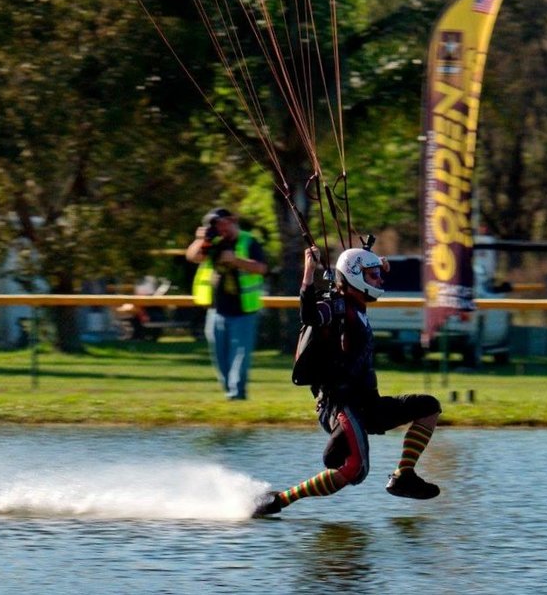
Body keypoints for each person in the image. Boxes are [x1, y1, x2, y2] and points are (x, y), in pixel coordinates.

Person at [253, 245, 442, 516]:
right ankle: (279, 500)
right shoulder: (335, 305)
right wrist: (309, 271)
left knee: (428, 407)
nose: (380, 280)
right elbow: (309, 316)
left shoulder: (356, 305)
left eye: (378, 274)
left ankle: (404, 475)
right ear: (355, 277)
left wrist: (375, 262)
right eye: (373, 275)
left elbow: (362, 272)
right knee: (353, 470)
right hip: (339, 405)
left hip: (366, 404)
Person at [186, 207, 268, 400]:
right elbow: (193, 256)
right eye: (214, 224)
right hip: (216, 310)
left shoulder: (249, 240)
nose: (218, 227)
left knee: (240, 356)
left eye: (221, 222)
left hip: (243, 310)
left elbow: (262, 268)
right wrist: (201, 240)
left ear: (232, 220)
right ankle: (229, 392)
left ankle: (237, 394)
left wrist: (236, 260)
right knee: (220, 356)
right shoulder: (212, 242)